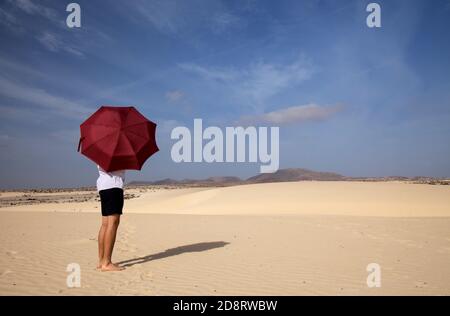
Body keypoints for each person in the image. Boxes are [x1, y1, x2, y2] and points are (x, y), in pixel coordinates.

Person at [96, 165, 126, 272]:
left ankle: (102, 260)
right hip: (113, 186)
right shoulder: (118, 150)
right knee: (113, 223)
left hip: (103, 186)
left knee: (105, 223)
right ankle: (106, 262)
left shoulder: (100, 149)